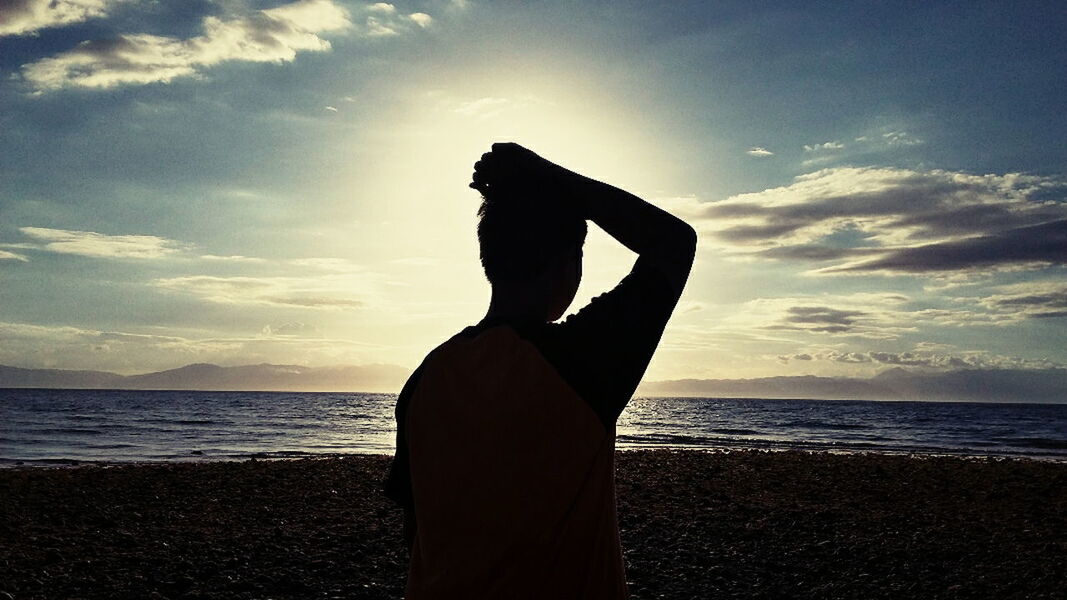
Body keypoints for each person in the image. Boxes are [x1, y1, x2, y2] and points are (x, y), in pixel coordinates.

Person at [384, 142, 696, 598]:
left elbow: (417, 532)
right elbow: (673, 242)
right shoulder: (582, 361)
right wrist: (547, 173)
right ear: (572, 262)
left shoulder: (426, 377)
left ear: (489, 257)